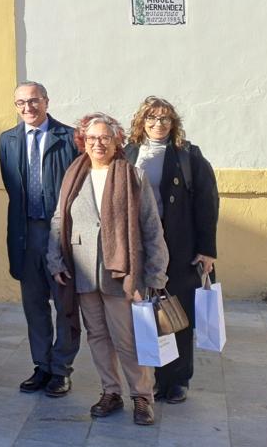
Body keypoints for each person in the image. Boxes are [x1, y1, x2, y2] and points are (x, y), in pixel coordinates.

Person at [47, 112, 169, 427]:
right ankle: (110, 391)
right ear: (82, 142)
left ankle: (142, 396)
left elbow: (152, 228)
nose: (98, 143)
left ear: (117, 141)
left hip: (122, 272)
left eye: (104, 137)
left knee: (126, 338)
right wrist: (55, 259)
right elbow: (59, 219)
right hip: (84, 269)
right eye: (91, 138)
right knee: (97, 335)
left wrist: (155, 274)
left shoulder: (133, 176)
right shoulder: (73, 174)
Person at [125, 97, 219, 405]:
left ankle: (178, 379)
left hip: (179, 246)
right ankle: (153, 378)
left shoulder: (188, 155)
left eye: (165, 119)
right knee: (147, 313)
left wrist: (207, 250)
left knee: (177, 312)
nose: (158, 124)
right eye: (152, 118)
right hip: (141, 246)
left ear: (173, 123)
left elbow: (208, 203)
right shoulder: (129, 153)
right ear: (142, 121)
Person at [0, 81, 80, 397]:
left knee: (65, 305)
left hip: (60, 234)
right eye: (21, 103)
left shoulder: (69, 138)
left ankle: (61, 370)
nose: (27, 108)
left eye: (33, 101)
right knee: (34, 305)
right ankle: (42, 366)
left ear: (46, 101)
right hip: (24, 232)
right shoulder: (8, 140)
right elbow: (12, 185)